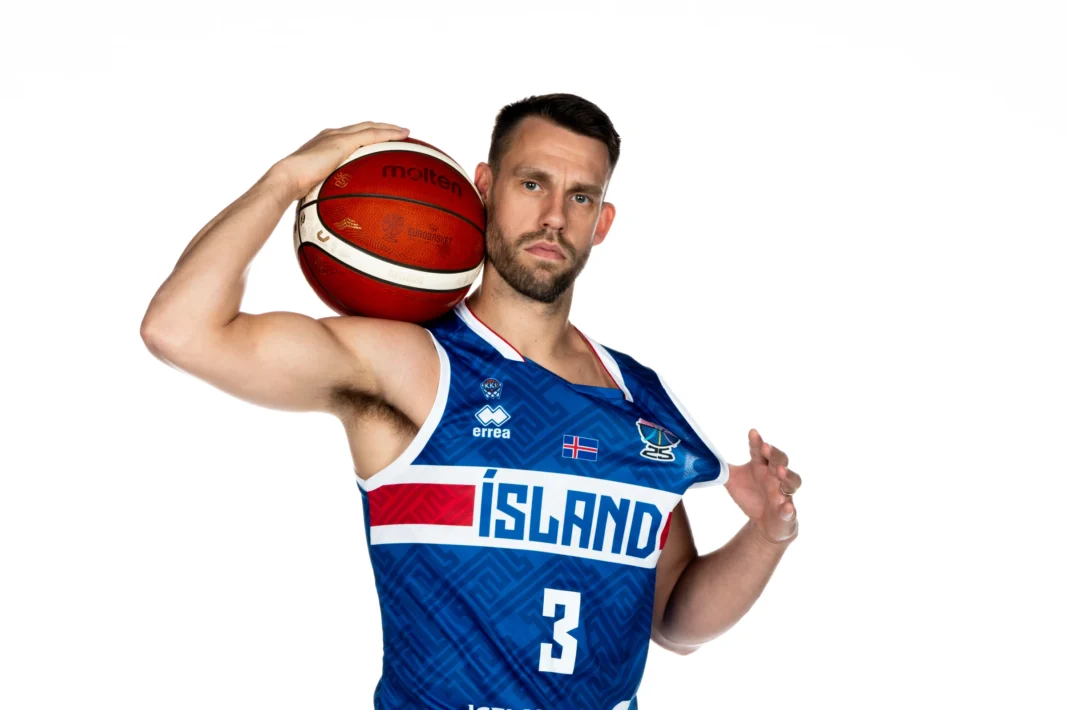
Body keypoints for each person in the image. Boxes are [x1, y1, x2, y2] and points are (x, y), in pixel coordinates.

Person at [141, 93, 802, 710]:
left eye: (580, 196)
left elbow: (674, 622)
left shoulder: (640, 398)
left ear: (601, 222)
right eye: (532, 184)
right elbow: (178, 330)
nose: (554, 217)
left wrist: (767, 535)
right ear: (483, 188)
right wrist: (287, 178)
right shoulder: (411, 365)